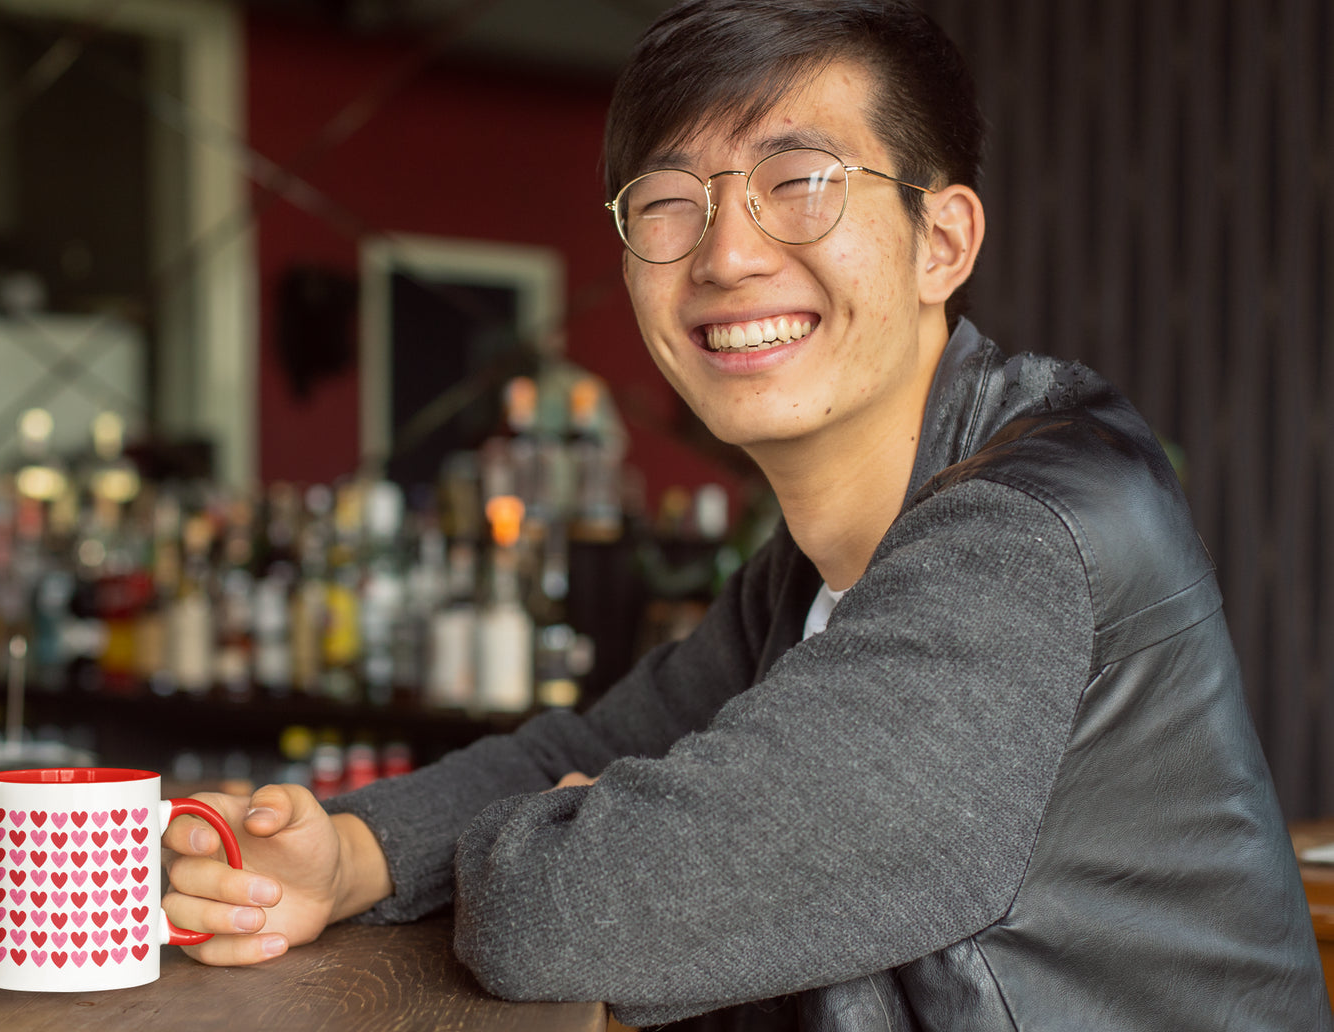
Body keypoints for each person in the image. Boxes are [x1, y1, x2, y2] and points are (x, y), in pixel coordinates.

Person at [163, 1, 1331, 1028]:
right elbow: (586, 752)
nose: (725, 254)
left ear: (941, 241)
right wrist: (350, 855)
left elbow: (561, 920)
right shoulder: (811, 570)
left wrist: (570, 845)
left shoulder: (1023, 533)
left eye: (799, 184)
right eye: (669, 203)